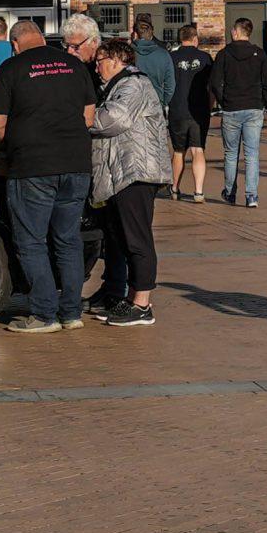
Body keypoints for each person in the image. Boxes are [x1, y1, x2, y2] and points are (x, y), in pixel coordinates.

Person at [0, 18, 98, 333]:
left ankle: (44, 314)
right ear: (43, 39)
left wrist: (15, 141)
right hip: (76, 163)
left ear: (15, 44)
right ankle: (72, 313)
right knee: (68, 240)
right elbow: (88, 117)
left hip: (32, 166)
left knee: (32, 241)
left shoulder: (11, 68)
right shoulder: (74, 65)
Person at [88, 37, 173, 327]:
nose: (96, 67)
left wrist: (82, 115)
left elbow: (114, 119)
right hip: (122, 173)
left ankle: (142, 305)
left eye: (99, 61)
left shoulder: (134, 84)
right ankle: (130, 297)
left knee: (137, 239)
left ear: (116, 61)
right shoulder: (117, 86)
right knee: (123, 238)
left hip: (136, 173)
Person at [208, 17, 267, 207]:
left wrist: (223, 101)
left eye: (233, 30)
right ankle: (251, 195)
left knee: (231, 154)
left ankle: (230, 192)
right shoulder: (259, 54)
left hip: (231, 108)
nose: (231, 32)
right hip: (253, 108)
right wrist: (262, 101)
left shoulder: (224, 54)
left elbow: (215, 82)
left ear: (237, 32)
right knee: (252, 154)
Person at [167, 23, 211, 202]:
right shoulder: (205, 58)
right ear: (195, 39)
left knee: (178, 151)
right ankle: (198, 191)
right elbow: (211, 85)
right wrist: (210, 104)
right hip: (199, 110)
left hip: (177, 109)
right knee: (198, 149)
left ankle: (175, 188)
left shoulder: (171, 57)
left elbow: (168, 83)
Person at [129, 14, 177, 107]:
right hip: (156, 101)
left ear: (135, 34)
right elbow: (170, 86)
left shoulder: (127, 53)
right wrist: (163, 102)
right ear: (151, 33)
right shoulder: (164, 53)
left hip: (132, 103)